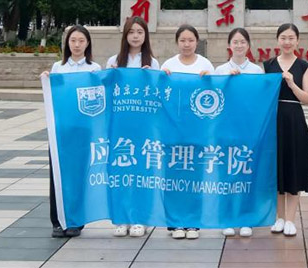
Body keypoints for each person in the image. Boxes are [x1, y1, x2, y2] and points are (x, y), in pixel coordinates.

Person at [41, 25, 101, 238]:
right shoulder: (58, 67)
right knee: (58, 176)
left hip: (83, 131)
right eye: (73, 40)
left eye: (81, 41)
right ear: (67, 43)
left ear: (88, 43)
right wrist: (47, 79)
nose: (77, 45)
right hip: (61, 131)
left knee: (80, 175)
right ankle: (58, 221)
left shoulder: (94, 68)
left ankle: (76, 221)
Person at [107, 16, 159, 237]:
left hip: (143, 127)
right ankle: (122, 218)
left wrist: (151, 78)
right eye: (131, 32)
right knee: (120, 171)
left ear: (145, 35)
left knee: (142, 172)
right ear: (125, 35)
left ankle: (141, 218)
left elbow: (158, 95)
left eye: (139, 32)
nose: (135, 36)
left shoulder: (152, 63)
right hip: (120, 126)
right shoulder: (114, 61)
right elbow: (106, 92)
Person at [263, 23, 308, 237]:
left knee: (294, 166)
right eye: (283, 37)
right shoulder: (268, 65)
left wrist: (292, 84)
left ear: (297, 41)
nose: (287, 42)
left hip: (294, 119)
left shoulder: (304, 66)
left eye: (291, 38)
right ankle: (279, 217)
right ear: (278, 40)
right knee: (276, 168)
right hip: (273, 120)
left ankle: (291, 220)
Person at [161, 25, 213, 240]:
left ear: (196, 42)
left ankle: (193, 222)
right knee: (173, 176)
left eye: (190, 40)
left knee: (195, 176)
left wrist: (209, 80)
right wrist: (162, 78)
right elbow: (161, 96)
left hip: (197, 130)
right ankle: (174, 222)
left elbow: (213, 96)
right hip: (173, 130)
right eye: (182, 40)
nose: (186, 44)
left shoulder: (206, 65)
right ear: (177, 42)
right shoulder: (168, 65)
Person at [215, 27, 263, 237]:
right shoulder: (220, 70)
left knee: (246, 174)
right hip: (226, 129)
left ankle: (246, 219)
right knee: (226, 174)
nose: (239, 45)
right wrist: (227, 81)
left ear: (248, 45)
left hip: (248, 129)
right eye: (235, 42)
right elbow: (214, 97)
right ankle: (226, 218)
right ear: (229, 45)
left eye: (243, 42)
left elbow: (260, 98)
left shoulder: (256, 71)